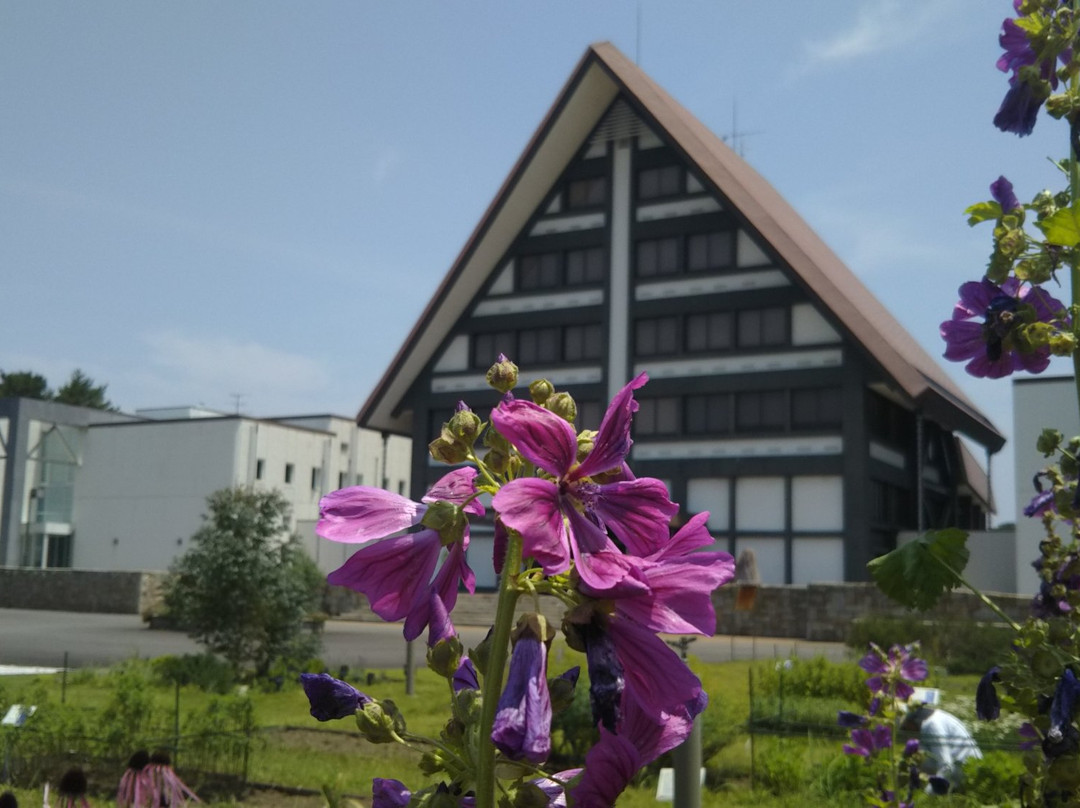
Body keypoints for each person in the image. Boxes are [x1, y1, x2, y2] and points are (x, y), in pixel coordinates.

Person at [901, 704, 982, 794]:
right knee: (919, 755)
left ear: (911, 721)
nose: (906, 733)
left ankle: (946, 789)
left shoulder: (932, 726)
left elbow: (946, 765)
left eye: (905, 728)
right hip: (959, 766)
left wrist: (930, 792)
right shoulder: (930, 721)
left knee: (922, 758)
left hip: (965, 770)